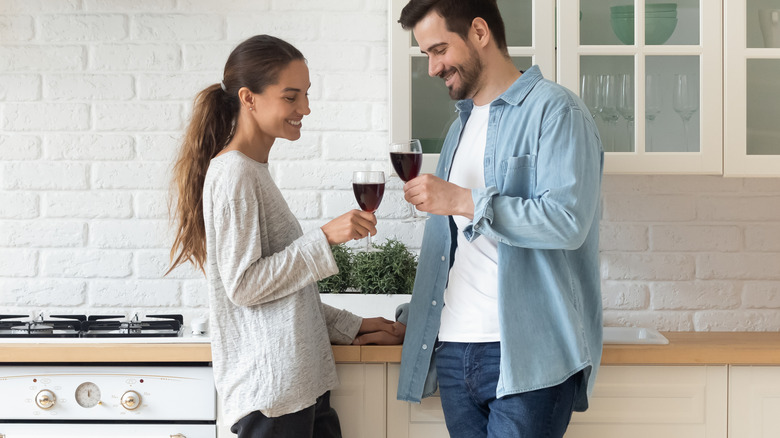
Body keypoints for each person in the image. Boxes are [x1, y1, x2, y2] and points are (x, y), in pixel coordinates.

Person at [166, 34, 405, 438]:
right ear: (249, 98)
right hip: (274, 397)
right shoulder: (234, 174)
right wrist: (324, 238)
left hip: (297, 388)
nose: (305, 109)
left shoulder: (252, 171)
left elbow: (282, 297)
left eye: (306, 95)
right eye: (291, 97)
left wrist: (353, 325)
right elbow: (243, 285)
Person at [394, 1, 604, 437]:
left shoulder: (557, 111)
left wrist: (465, 200)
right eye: (426, 55)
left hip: (525, 354)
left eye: (438, 50)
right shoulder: (460, 126)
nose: (432, 68)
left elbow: (567, 222)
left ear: (478, 31)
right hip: (454, 349)